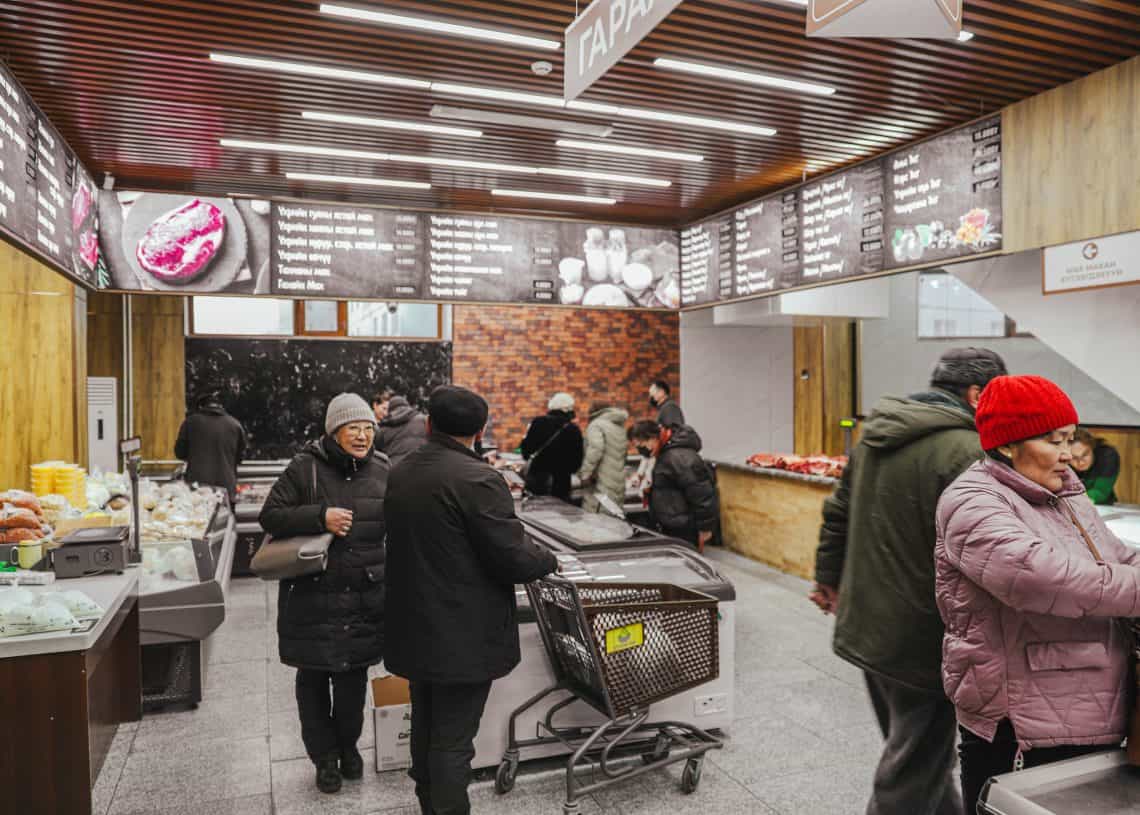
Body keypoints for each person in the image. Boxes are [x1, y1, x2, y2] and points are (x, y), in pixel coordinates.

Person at [811, 347, 1007, 815]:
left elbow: (837, 512)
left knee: (918, 758)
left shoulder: (875, 436)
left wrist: (827, 578)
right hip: (924, 637)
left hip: (868, 624)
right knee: (911, 770)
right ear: (978, 394)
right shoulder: (968, 451)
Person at [936, 375, 1140, 813]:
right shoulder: (972, 502)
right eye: (1054, 441)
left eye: (1070, 439)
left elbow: (1116, 555)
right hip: (1024, 722)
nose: (1068, 455)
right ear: (1008, 444)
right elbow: (1042, 578)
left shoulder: (1062, 492)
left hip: (1088, 706)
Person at [384, 385, 559, 815]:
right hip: (460, 631)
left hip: (412, 622)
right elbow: (512, 559)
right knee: (453, 741)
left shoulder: (402, 470)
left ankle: (428, 803)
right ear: (481, 431)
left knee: (426, 723)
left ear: (428, 424)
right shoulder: (479, 479)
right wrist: (547, 559)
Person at [259, 393, 388, 795]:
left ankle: (348, 747)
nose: (363, 435)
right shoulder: (304, 467)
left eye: (369, 428)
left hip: (364, 597)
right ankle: (324, 758)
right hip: (312, 595)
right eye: (354, 428)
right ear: (334, 431)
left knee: (352, 683)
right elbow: (271, 516)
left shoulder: (384, 469)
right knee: (312, 681)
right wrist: (320, 516)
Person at [627, 420, 717, 551]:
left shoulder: (679, 457)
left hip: (683, 528)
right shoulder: (659, 454)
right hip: (670, 523)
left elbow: (702, 494)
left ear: (652, 438)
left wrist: (705, 528)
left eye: (641, 444)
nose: (641, 450)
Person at [174, 384, 247, 500]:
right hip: (226, 490)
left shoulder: (190, 423)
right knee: (227, 517)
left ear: (201, 406)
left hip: (197, 490)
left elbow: (179, 452)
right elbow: (240, 458)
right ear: (221, 406)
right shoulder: (235, 425)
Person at [519, 393, 584, 501]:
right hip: (561, 483)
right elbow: (577, 462)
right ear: (569, 409)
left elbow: (525, 451)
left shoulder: (537, 423)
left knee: (535, 512)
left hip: (537, 480)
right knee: (558, 515)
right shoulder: (573, 430)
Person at [577, 402, 631, 514]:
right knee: (614, 515)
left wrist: (585, 473)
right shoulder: (619, 426)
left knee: (597, 519)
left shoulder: (596, 425)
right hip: (618, 482)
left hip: (601, 482)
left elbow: (595, 448)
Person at [1071, 427, 1121, 505]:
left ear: (1092, 447)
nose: (1080, 462)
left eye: (1085, 455)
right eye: (1074, 458)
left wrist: (1073, 500)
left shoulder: (1107, 456)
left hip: (1103, 506)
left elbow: (1101, 492)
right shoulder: (1061, 460)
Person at [375, 396, 428, 467]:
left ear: (390, 410)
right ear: (407, 405)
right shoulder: (423, 420)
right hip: (421, 465)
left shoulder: (382, 428)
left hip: (393, 469)